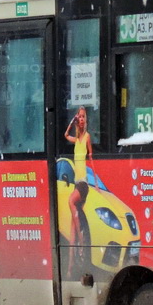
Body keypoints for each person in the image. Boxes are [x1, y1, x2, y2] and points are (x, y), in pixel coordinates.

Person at [63, 107, 93, 274]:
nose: (81, 119)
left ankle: (82, 243)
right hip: (76, 183)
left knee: (70, 201)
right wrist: (71, 122)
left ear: (86, 120)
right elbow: (65, 136)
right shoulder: (77, 139)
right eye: (79, 117)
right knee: (71, 228)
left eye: (83, 117)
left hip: (83, 184)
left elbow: (91, 157)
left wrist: (95, 181)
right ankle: (70, 267)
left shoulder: (87, 137)